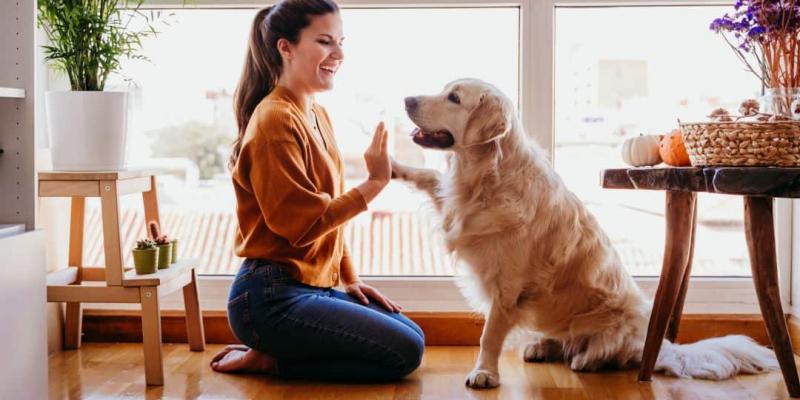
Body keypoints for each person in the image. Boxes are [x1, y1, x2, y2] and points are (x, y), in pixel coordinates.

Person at [210, 0, 425, 381]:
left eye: (341, 41)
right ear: (285, 47)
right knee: (404, 352)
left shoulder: (315, 113)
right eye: (325, 41)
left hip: (311, 286)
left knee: (412, 334)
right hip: (268, 298)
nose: (339, 54)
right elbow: (302, 226)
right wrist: (375, 183)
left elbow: (327, 216)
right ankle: (271, 359)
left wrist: (349, 278)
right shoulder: (274, 120)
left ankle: (276, 353)